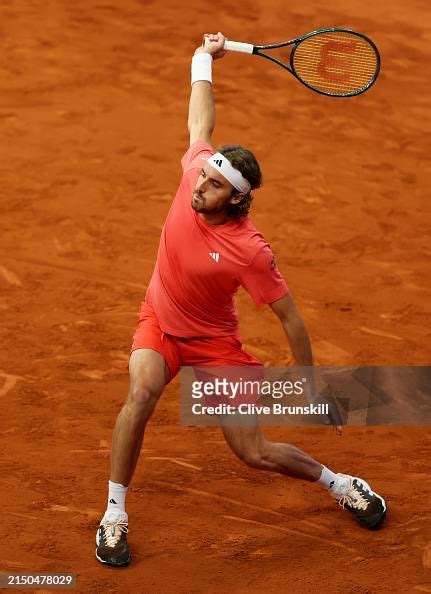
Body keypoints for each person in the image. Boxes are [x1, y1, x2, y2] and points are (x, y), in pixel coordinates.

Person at [95, 32, 387, 567]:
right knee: (141, 393)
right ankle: (114, 513)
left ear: (237, 198)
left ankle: (339, 483)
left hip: (214, 345)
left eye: (211, 185)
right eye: (201, 176)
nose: (197, 186)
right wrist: (203, 57)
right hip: (159, 321)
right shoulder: (192, 174)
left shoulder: (250, 251)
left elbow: (291, 319)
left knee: (253, 453)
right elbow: (199, 123)